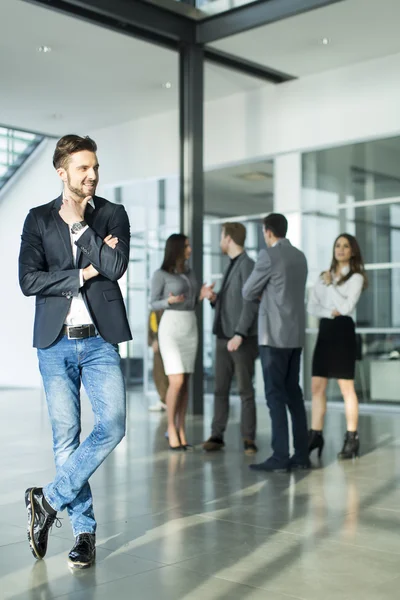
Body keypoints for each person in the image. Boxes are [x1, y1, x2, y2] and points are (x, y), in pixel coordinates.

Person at [19, 134, 131, 569]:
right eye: (84, 167)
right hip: (55, 342)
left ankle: (46, 501)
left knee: (114, 424)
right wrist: (84, 270)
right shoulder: (37, 220)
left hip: (100, 339)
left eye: (96, 167)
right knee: (66, 440)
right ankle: (84, 532)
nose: (93, 175)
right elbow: (29, 281)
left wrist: (83, 228)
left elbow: (117, 268)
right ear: (62, 171)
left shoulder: (111, 214)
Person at [243, 213, 309, 472]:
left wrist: (264, 293)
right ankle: (301, 455)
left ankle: (280, 456)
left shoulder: (268, 255)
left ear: (267, 231)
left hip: (273, 337)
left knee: (274, 397)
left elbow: (248, 291)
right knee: (294, 394)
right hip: (295, 337)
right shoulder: (300, 256)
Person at [150, 234, 214, 450]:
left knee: (185, 382)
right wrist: (168, 300)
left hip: (190, 325)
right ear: (176, 248)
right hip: (171, 327)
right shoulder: (161, 274)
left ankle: (181, 429)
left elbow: (191, 302)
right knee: (176, 381)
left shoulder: (190, 272)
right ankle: (170, 428)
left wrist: (202, 295)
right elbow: (152, 303)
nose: (189, 248)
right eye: (186, 245)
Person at [307, 233, 367, 460]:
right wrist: (328, 310)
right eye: (337, 245)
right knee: (316, 386)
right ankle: (315, 434)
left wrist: (331, 288)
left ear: (353, 251)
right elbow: (312, 306)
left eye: (345, 246)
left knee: (346, 388)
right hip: (326, 330)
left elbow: (345, 307)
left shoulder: (357, 278)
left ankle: (352, 438)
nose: (340, 249)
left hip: (343, 331)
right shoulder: (324, 276)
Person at [202, 222, 259, 455]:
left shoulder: (248, 265)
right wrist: (215, 299)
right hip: (223, 337)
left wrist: (240, 333)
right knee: (220, 389)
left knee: (245, 390)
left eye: (222, 236)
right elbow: (234, 302)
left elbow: (250, 303)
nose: (220, 242)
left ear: (229, 239)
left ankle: (248, 438)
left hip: (240, 339)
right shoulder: (231, 265)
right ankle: (217, 434)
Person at [148, 309, 168, 411]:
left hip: (168, 344)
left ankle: (166, 400)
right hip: (158, 347)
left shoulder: (165, 308)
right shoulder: (155, 310)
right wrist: (153, 341)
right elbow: (152, 327)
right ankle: (163, 400)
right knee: (158, 374)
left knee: (166, 374)